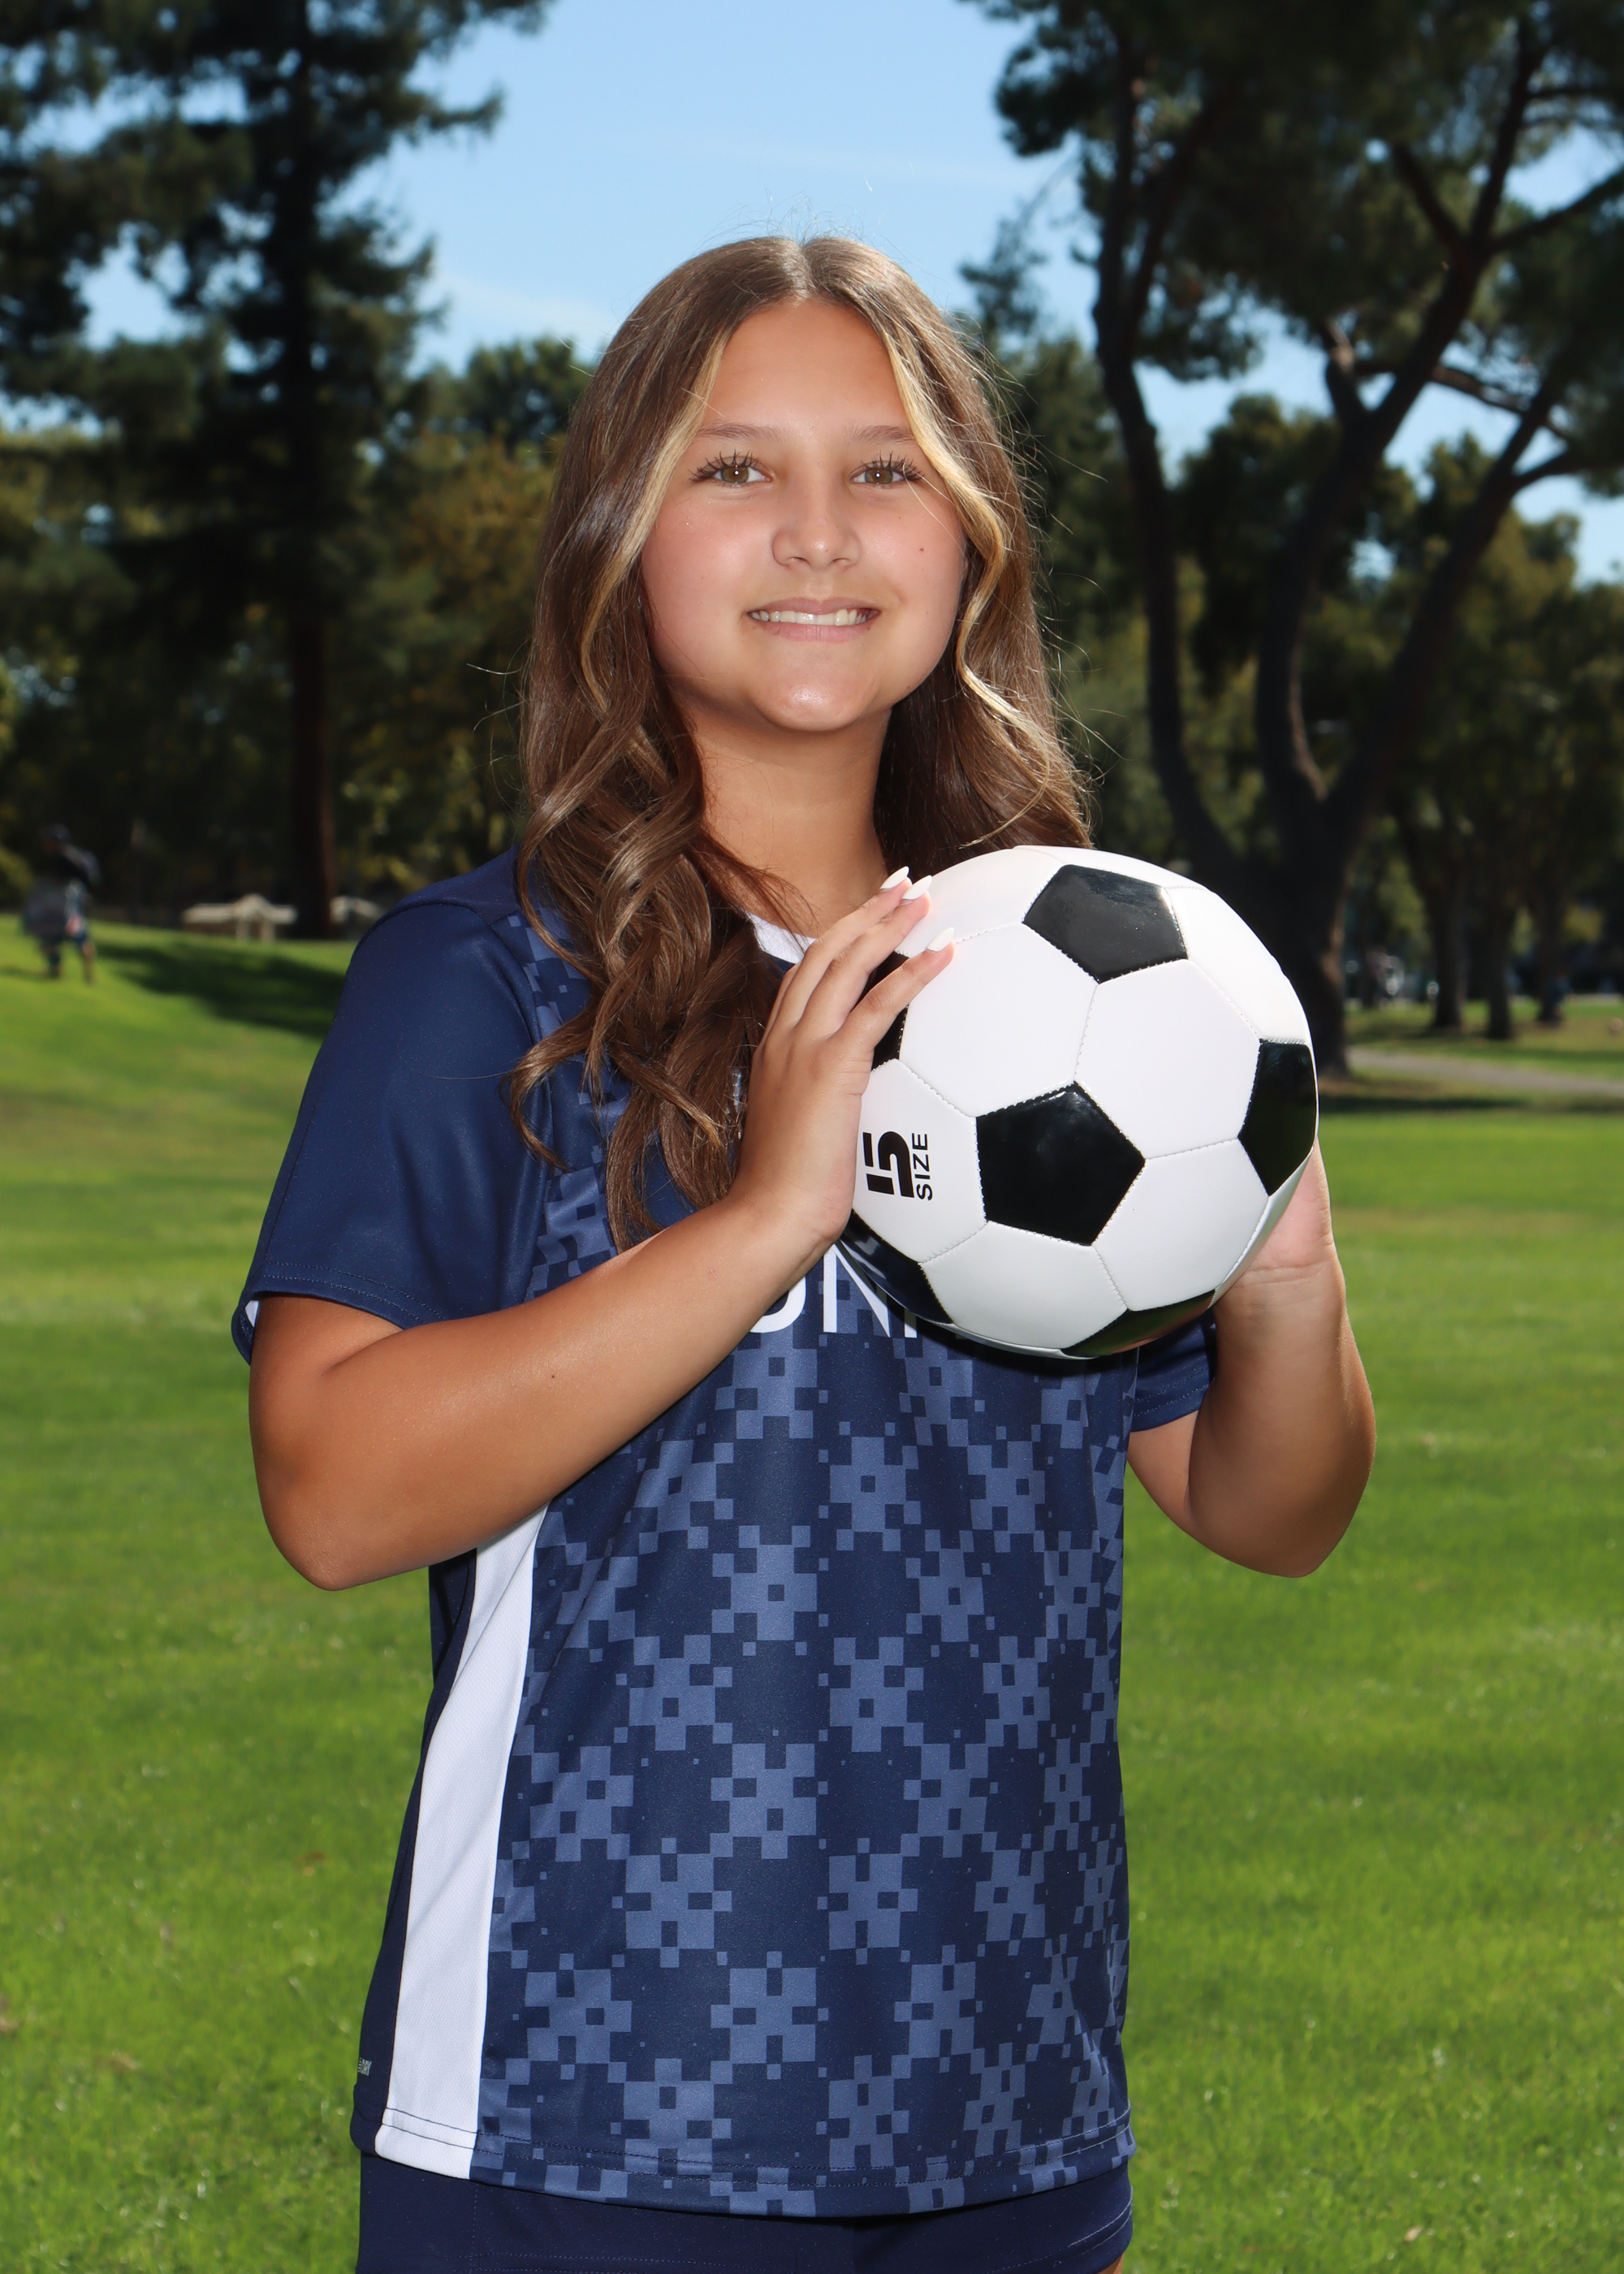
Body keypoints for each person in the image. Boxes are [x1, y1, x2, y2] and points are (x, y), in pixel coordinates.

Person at [237, 238, 1375, 2274]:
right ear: (619, 531)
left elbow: (1265, 1510)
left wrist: (1281, 1266)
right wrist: (771, 1213)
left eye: (886, 469)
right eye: (733, 467)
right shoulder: (483, 979)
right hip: (585, 2107)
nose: (818, 531)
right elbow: (329, 1487)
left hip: (1008, 2109)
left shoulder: (1069, 993)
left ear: (971, 540)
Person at [22, 824, 99, 980]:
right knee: (80, 937)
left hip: (63, 905)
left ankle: (56, 970)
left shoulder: (60, 857)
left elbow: (57, 883)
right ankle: (89, 974)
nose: (46, 843)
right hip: (78, 904)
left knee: (49, 936)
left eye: (49, 840)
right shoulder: (75, 854)